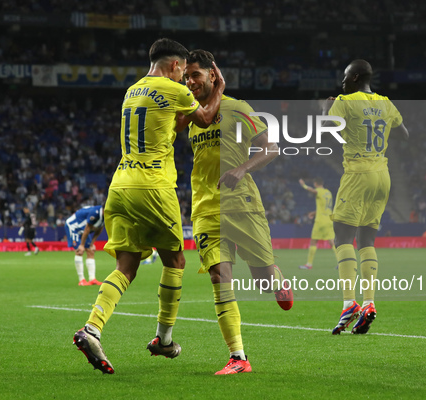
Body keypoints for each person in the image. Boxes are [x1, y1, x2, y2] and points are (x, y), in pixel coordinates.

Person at [73, 38, 225, 374]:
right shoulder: (175, 90)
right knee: (176, 260)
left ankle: (92, 328)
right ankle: (164, 339)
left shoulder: (132, 90)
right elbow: (203, 118)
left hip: (120, 186)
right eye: (183, 71)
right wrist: (218, 90)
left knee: (126, 265)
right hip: (154, 187)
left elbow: (173, 123)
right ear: (174, 66)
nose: (185, 79)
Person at [182, 49, 293, 375]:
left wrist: (243, 169)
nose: (190, 82)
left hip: (242, 204)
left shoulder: (238, 108)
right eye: (187, 76)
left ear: (212, 76)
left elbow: (271, 148)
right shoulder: (191, 116)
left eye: (196, 75)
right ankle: (238, 357)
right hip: (205, 208)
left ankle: (277, 280)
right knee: (220, 277)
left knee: (261, 280)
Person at [322, 59, 409, 335]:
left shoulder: (345, 102)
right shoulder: (385, 102)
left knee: (342, 238)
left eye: (346, 77)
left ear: (356, 77)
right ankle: (369, 303)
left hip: (358, 174)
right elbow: (404, 135)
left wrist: (325, 109)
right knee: (367, 240)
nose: (343, 82)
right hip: (382, 176)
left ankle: (349, 303)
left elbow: (325, 132)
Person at [298, 178, 335, 270]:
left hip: (321, 221)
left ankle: (309, 264)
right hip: (329, 220)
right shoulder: (328, 193)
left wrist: (304, 185)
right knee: (332, 242)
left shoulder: (319, 191)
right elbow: (324, 207)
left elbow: (313, 191)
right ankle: (342, 263)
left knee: (313, 242)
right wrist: (313, 213)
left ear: (315, 183)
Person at [65, 205, 105, 286]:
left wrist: (92, 244)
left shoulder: (108, 215)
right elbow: (87, 228)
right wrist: (82, 245)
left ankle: (92, 279)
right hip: (74, 227)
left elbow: (100, 228)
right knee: (79, 251)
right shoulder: (95, 213)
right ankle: (81, 280)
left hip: (83, 229)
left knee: (90, 251)